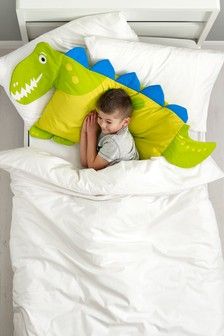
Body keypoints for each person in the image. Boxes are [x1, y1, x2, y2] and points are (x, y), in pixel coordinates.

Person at [80, 88, 139, 170]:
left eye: (108, 121)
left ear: (125, 122)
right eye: (100, 117)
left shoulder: (116, 143)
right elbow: (84, 162)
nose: (102, 125)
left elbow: (92, 168)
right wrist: (84, 130)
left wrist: (91, 133)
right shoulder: (110, 128)